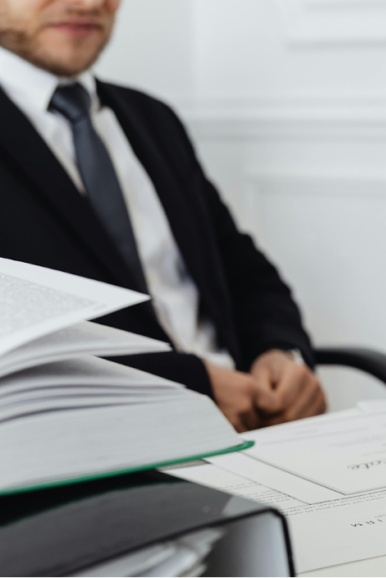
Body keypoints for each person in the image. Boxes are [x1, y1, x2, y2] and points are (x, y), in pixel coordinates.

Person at [0, 0, 326, 431]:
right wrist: (194, 384)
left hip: (253, 426)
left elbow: (241, 270)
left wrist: (280, 352)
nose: (89, 3)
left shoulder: (152, 118)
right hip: (98, 448)